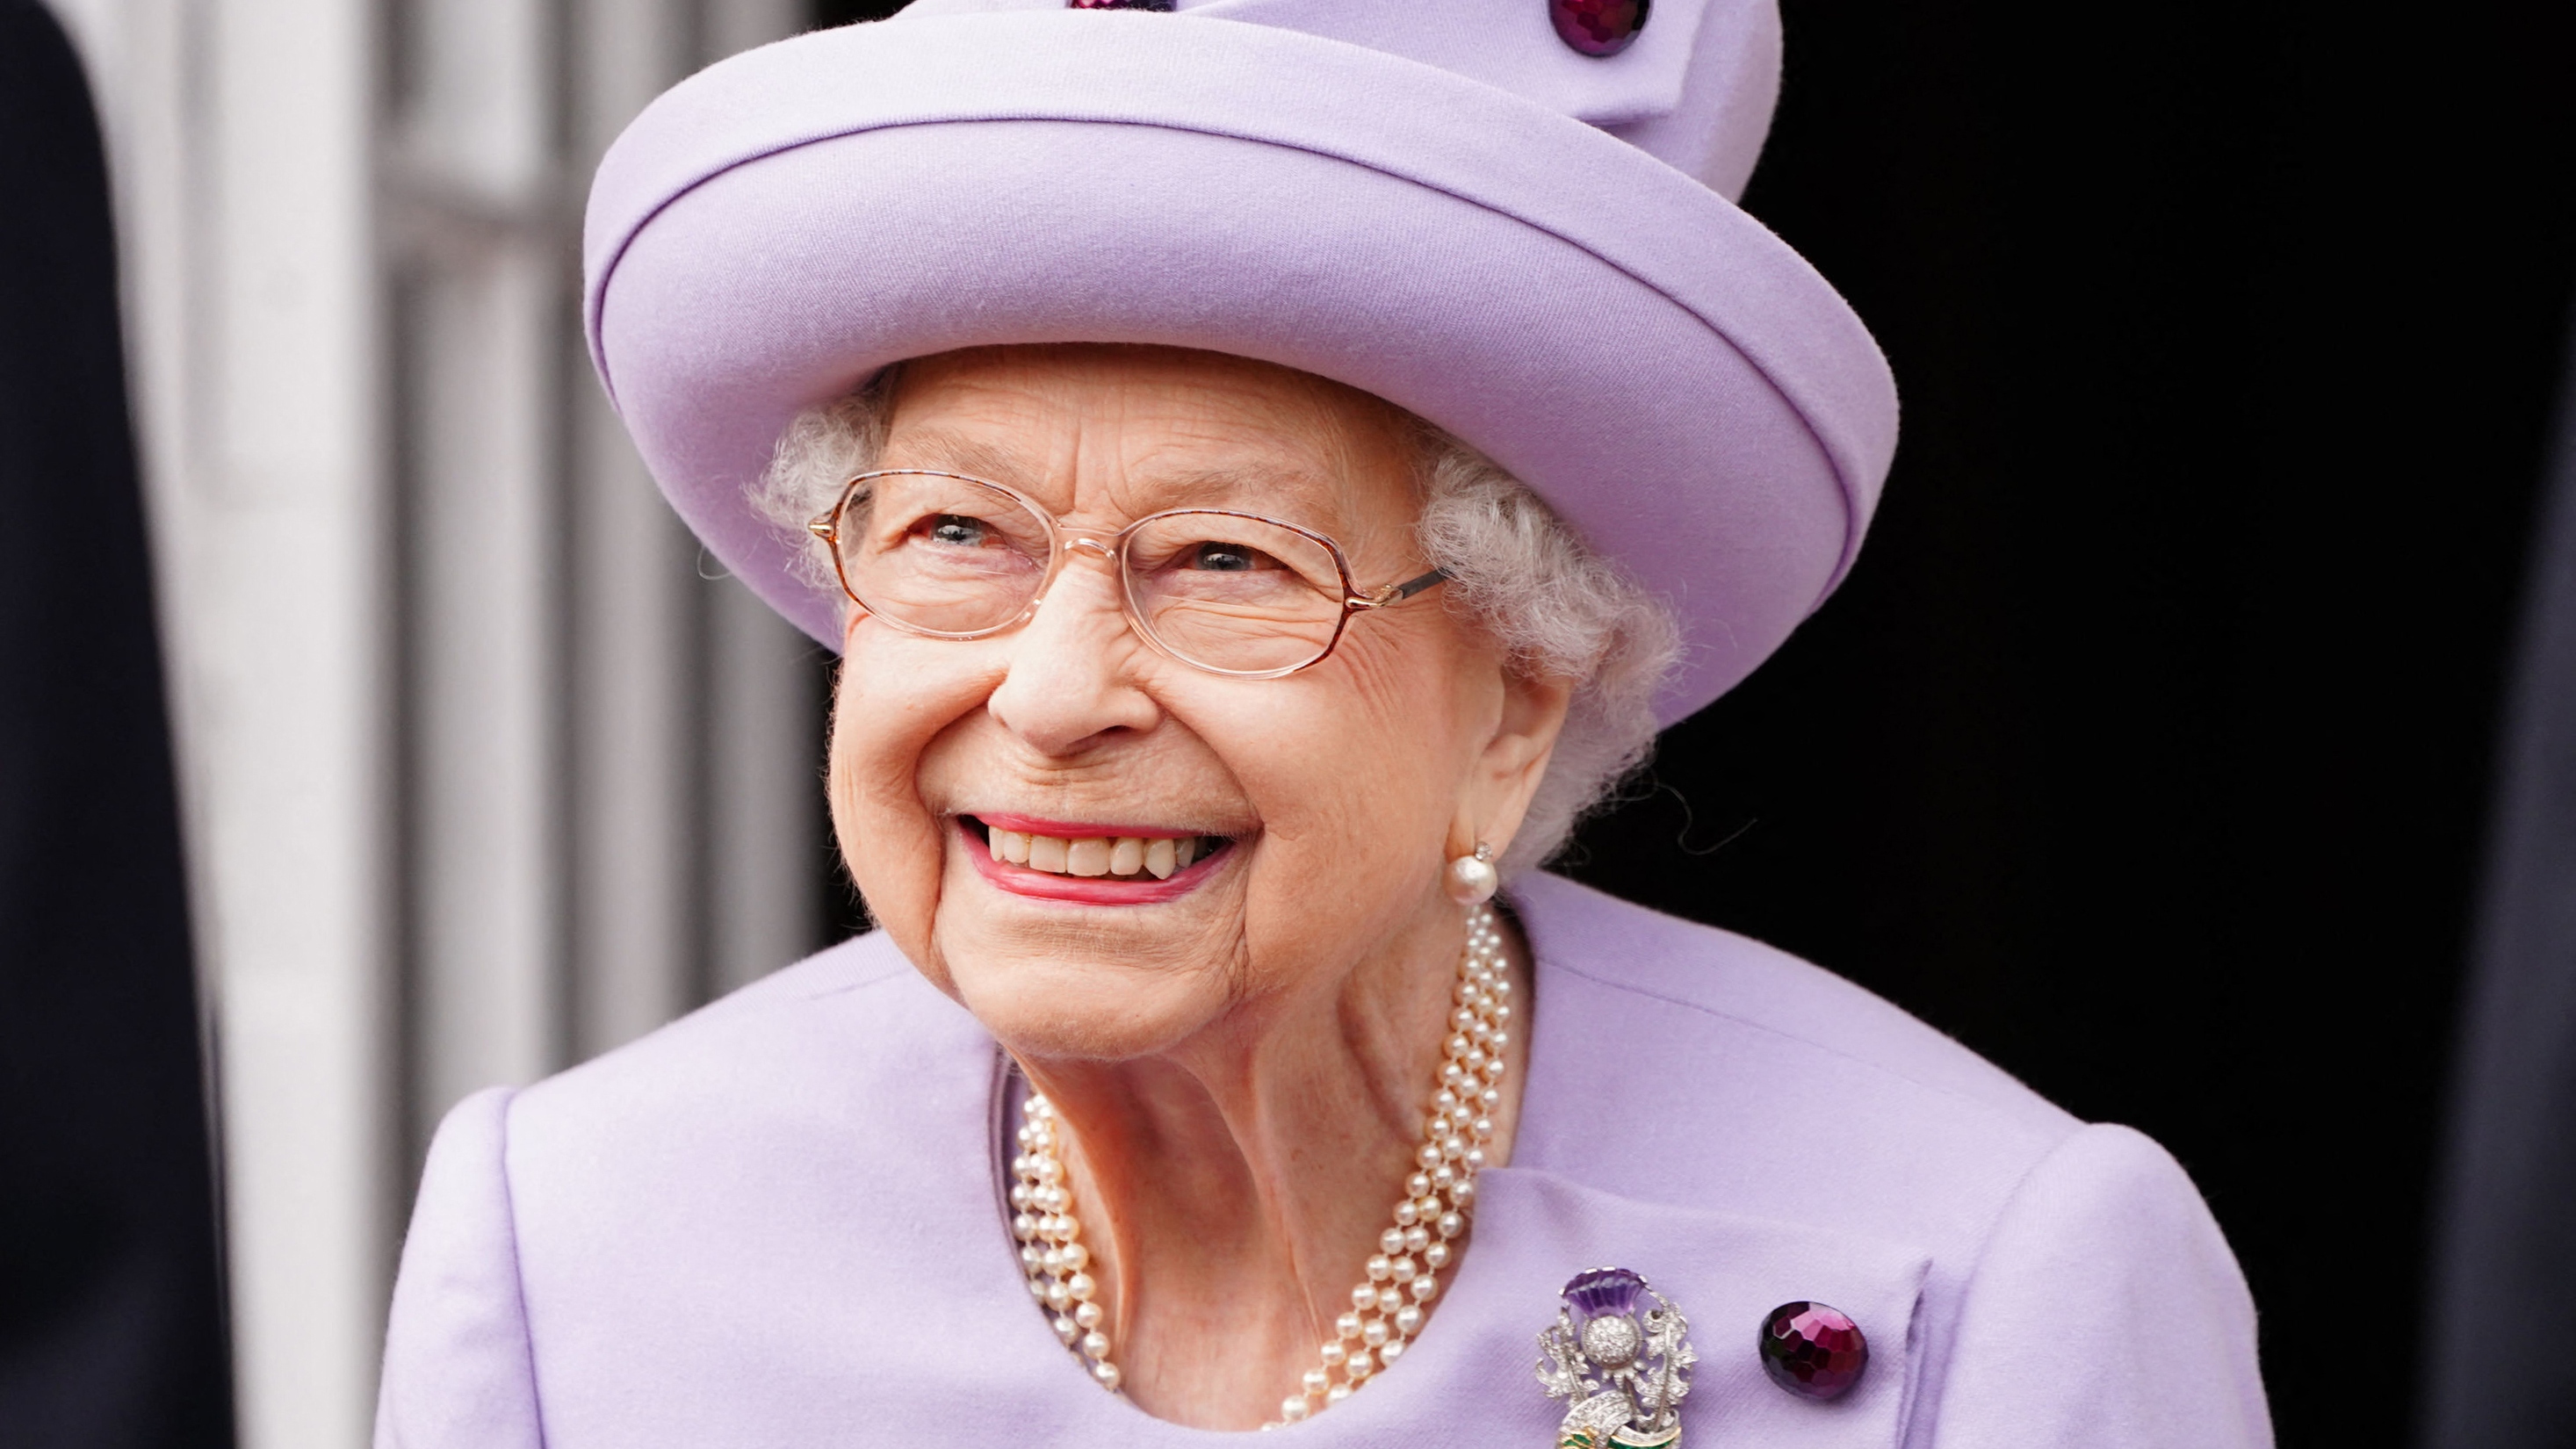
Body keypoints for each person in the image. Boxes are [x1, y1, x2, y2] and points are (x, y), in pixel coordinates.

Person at [378, 0, 2273, 1443]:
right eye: (953, 534)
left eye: (1225, 564)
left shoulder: (1998, 1261)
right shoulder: (580, 1235)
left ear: (1520, 702)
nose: (1046, 696)